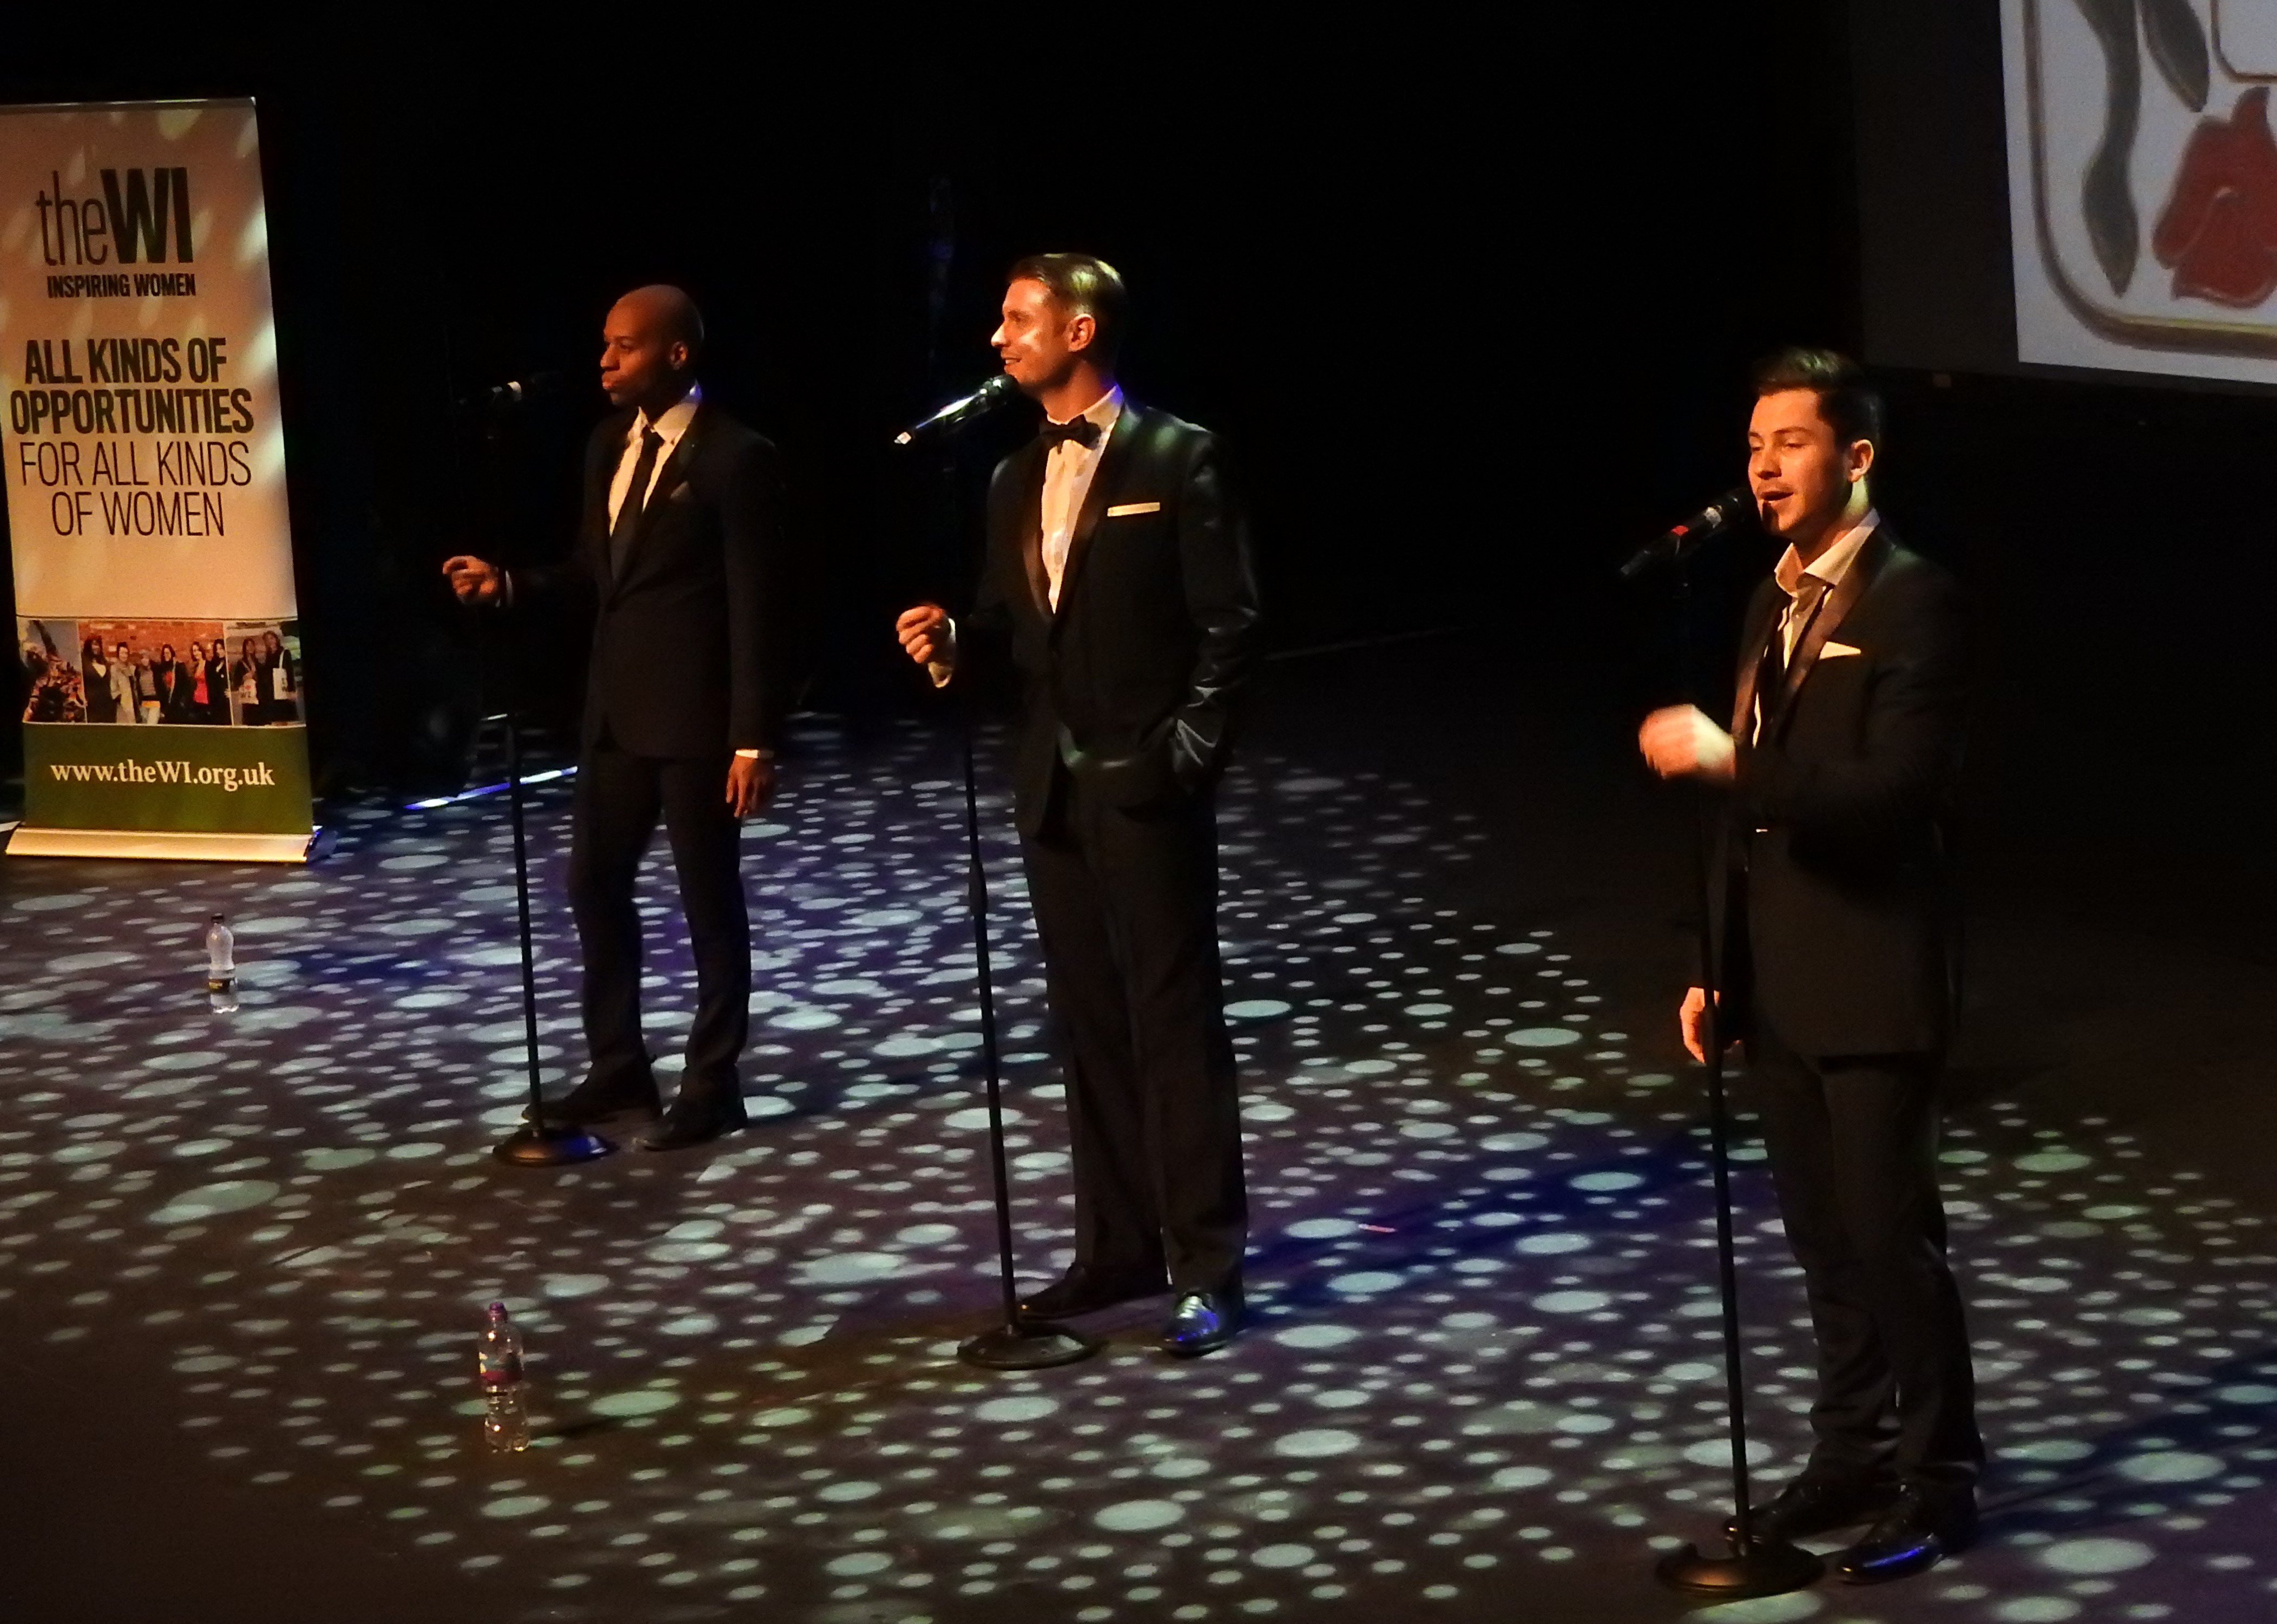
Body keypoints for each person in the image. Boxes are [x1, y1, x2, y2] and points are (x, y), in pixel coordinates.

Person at [1638, 347, 1980, 1585]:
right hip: (1778, 981)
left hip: (1874, 975)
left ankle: (1938, 1476)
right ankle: (1851, 1451)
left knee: (1890, 1240)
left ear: (1857, 455)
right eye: (1753, 445)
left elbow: (1891, 793)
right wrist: (1713, 964)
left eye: (1789, 442)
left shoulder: (1915, 600)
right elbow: (1743, 822)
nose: (1764, 467)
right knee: (1824, 1245)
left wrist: (1731, 760)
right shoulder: (1767, 601)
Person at [895, 254, 1261, 1357]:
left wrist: (1183, 757)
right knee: (1089, 1025)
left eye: (1018, 319)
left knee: (1173, 1024)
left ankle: (1206, 1264)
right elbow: (1011, 630)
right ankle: (1116, 1246)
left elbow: (1230, 627)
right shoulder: (1011, 476)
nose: (998, 338)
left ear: (1080, 329)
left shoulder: (1179, 457)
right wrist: (953, 646)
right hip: (1051, 790)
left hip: (1147, 785)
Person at [445, 285, 785, 1152]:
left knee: (708, 903)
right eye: (605, 344)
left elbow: (757, 607)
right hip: (616, 716)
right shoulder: (607, 445)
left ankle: (712, 1084)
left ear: (676, 354)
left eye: (624, 346)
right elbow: (597, 573)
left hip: (699, 723)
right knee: (593, 882)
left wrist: (753, 737)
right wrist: (511, 585)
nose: (605, 360)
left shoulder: (736, 458)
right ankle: (619, 1065)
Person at [83, 637, 115, 724]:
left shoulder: (105, 663)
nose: (97, 647)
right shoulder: (84, 664)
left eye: (98, 645)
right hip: (92, 704)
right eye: (94, 645)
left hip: (108, 704)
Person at [108, 642, 136, 725]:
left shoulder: (132, 668)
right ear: (118, 654)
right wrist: (121, 700)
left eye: (126, 653)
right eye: (122, 653)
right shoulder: (114, 669)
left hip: (134, 703)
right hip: (123, 706)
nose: (124, 656)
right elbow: (113, 689)